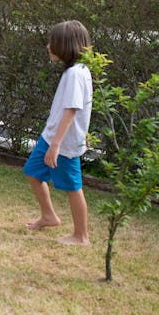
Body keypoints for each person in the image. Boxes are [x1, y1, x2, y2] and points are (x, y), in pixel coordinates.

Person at [23, 20, 93, 246]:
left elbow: (72, 110)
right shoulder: (77, 71)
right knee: (33, 171)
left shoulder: (76, 74)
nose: (48, 46)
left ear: (65, 45)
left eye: (52, 42)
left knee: (73, 187)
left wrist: (56, 146)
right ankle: (49, 216)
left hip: (63, 144)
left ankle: (81, 236)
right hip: (51, 137)